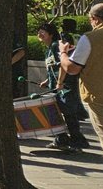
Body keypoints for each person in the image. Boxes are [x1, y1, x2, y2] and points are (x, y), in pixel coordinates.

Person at [60, 3, 103, 189]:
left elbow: (72, 68)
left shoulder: (90, 38)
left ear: (94, 19)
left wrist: (63, 52)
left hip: (100, 97)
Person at [38, 22, 89, 152]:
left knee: (68, 114)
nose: (40, 33)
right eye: (39, 31)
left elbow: (63, 65)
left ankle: (77, 142)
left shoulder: (56, 46)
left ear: (51, 34)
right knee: (56, 113)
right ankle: (62, 139)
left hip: (65, 86)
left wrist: (60, 82)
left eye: (43, 31)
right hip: (57, 86)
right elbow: (53, 68)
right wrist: (47, 80)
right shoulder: (48, 49)